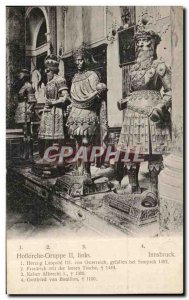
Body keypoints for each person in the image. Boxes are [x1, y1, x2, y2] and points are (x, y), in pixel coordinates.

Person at [117, 22, 172, 197]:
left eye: (146, 43)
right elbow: (133, 92)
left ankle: (153, 190)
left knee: (153, 154)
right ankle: (133, 185)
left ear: (153, 44)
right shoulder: (133, 69)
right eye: (139, 43)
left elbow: (172, 91)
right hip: (133, 114)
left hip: (152, 114)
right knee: (131, 152)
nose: (141, 47)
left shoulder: (159, 66)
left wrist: (160, 107)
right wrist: (125, 100)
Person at [66, 46, 107, 180]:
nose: (79, 63)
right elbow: (73, 96)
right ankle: (80, 167)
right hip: (76, 112)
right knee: (78, 143)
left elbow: (97, 96)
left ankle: (87, 171)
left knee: (86, 142)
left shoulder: (92, 75)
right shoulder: (75, 77)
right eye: (77, 61)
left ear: (86, 60)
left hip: (88, 112)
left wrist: (99, 93)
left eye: (81, 60)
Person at [38, 54, 70, 159]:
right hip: (48, 110)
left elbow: (65, 96)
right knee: (46, 137)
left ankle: (59, 159)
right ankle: (47, 158)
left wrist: (54, 102)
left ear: (52, 70)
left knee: (57, 137)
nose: (46, 73)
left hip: (57, 111)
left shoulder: (60, 80)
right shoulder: (48, 82)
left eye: (47, 71)